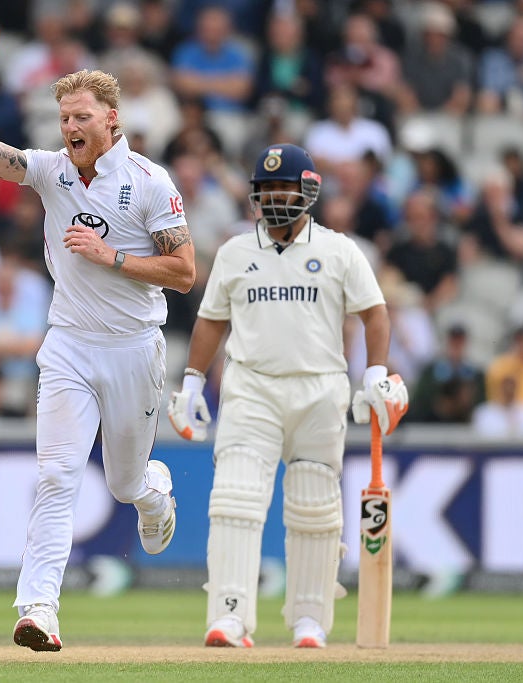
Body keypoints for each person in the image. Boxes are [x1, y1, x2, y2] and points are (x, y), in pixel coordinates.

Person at [0, 28, 196, 652]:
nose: (70, 127)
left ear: (112, 120)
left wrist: (111, 256)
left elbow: (184, 272)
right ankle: (39, 607)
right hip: (68, 344)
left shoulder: (147, 180)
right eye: (64, 117)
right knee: (57, 474)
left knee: (122, 484)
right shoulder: (50, 171)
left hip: (134, 347)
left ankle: (154, 494)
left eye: (82, 116)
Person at [166, 143, 408, 649]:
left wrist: (377, 372)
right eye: (268, 188)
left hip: (320, 389)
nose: (277, 196)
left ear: (308, 191)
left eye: (286, 186)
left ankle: (310, 619)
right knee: (234, 500)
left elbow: (375, 312)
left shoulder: (340, 250)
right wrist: (190, 380)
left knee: (314, 510)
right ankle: (230, 616)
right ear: (255, 194)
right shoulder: (235, 251)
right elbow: (212, 320)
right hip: (251, 388)